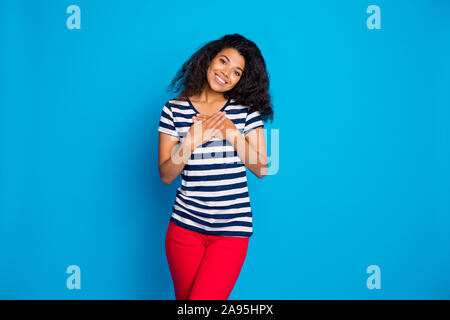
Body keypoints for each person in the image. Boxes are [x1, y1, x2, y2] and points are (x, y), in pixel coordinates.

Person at [158, 33, 274, 300]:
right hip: (184, 229)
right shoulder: (173, 110)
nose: (226, 73)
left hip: (231, 231)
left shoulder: (246, 112)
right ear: (209, 59)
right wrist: (190, 141)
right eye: (223, 61)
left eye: (236, 72)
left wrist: (231, 132)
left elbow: (261, 168)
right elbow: (166, 174)